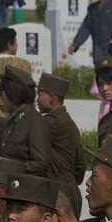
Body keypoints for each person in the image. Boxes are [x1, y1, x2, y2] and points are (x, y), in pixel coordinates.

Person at [36, 73, 86, 213]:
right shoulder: (67, 121)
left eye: (40, 94)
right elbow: (80, 165)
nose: (37, 100)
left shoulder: (51, 123)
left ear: (52, 97)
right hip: (69, 190)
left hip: (57, 193)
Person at [0, 66, 52, 175]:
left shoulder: (35, 121)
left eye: (2, 92)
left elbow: (41, 162)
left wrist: (11, 169)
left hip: (27, 189)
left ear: (13, 92)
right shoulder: (13, 121)